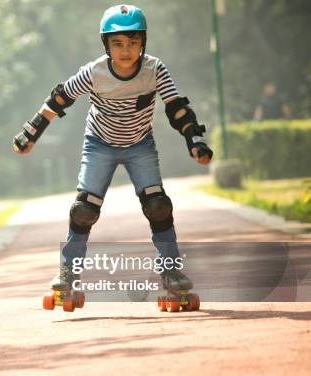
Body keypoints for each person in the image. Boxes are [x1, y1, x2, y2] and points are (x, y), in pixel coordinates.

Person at [12, 4, 213, 293]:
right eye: (117, 43)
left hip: (140, 144)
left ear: (143, 42)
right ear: (106, 44)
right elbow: (58, 100)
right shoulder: (93, 73)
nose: (126, 50)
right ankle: (68, 272)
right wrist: (29, 134)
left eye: (133, 42)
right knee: (84, 210)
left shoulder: (154, 69)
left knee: (158, 206)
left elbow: (177, 108)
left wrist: (194, 141)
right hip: (99, 144)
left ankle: (171, 271)